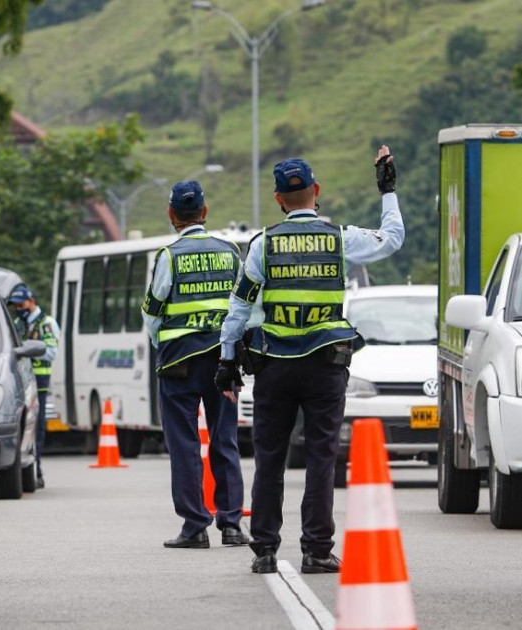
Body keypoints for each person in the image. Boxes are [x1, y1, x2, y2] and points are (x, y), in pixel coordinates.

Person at [215, 147, 404, 575]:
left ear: (279, 199)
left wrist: (227, 360)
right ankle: (317, 550)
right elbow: (392, 239)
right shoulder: (340, 239)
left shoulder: (262, 245)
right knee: (321, 456)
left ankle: (264, 549)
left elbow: (238, 308)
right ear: (316, 192)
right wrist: (387, 189)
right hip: (324, 367)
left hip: (274, 366)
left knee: (270, 458)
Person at [141, 181, 250, 550]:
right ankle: (232, 524)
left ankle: (194, 526)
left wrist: (164, 346)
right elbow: (242, 306)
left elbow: (153, 313)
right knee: (225, 440)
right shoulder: (231, 251)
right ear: (204, 213)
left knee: (185, 444)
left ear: (172, 215)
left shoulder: (168, 257)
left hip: (178, 363)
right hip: (223, 360)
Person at [8, 284, 59, 489]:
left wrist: (26, 347)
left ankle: (37, 471)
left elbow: (51, 352)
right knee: (23, 428)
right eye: (16, 305)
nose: (19, 308)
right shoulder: (17, 323)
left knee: (37, 429)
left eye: (21, 304)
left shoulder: (46, 324)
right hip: (21, 381)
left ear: (31, 301)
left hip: (39, 382)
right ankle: (24, 469)